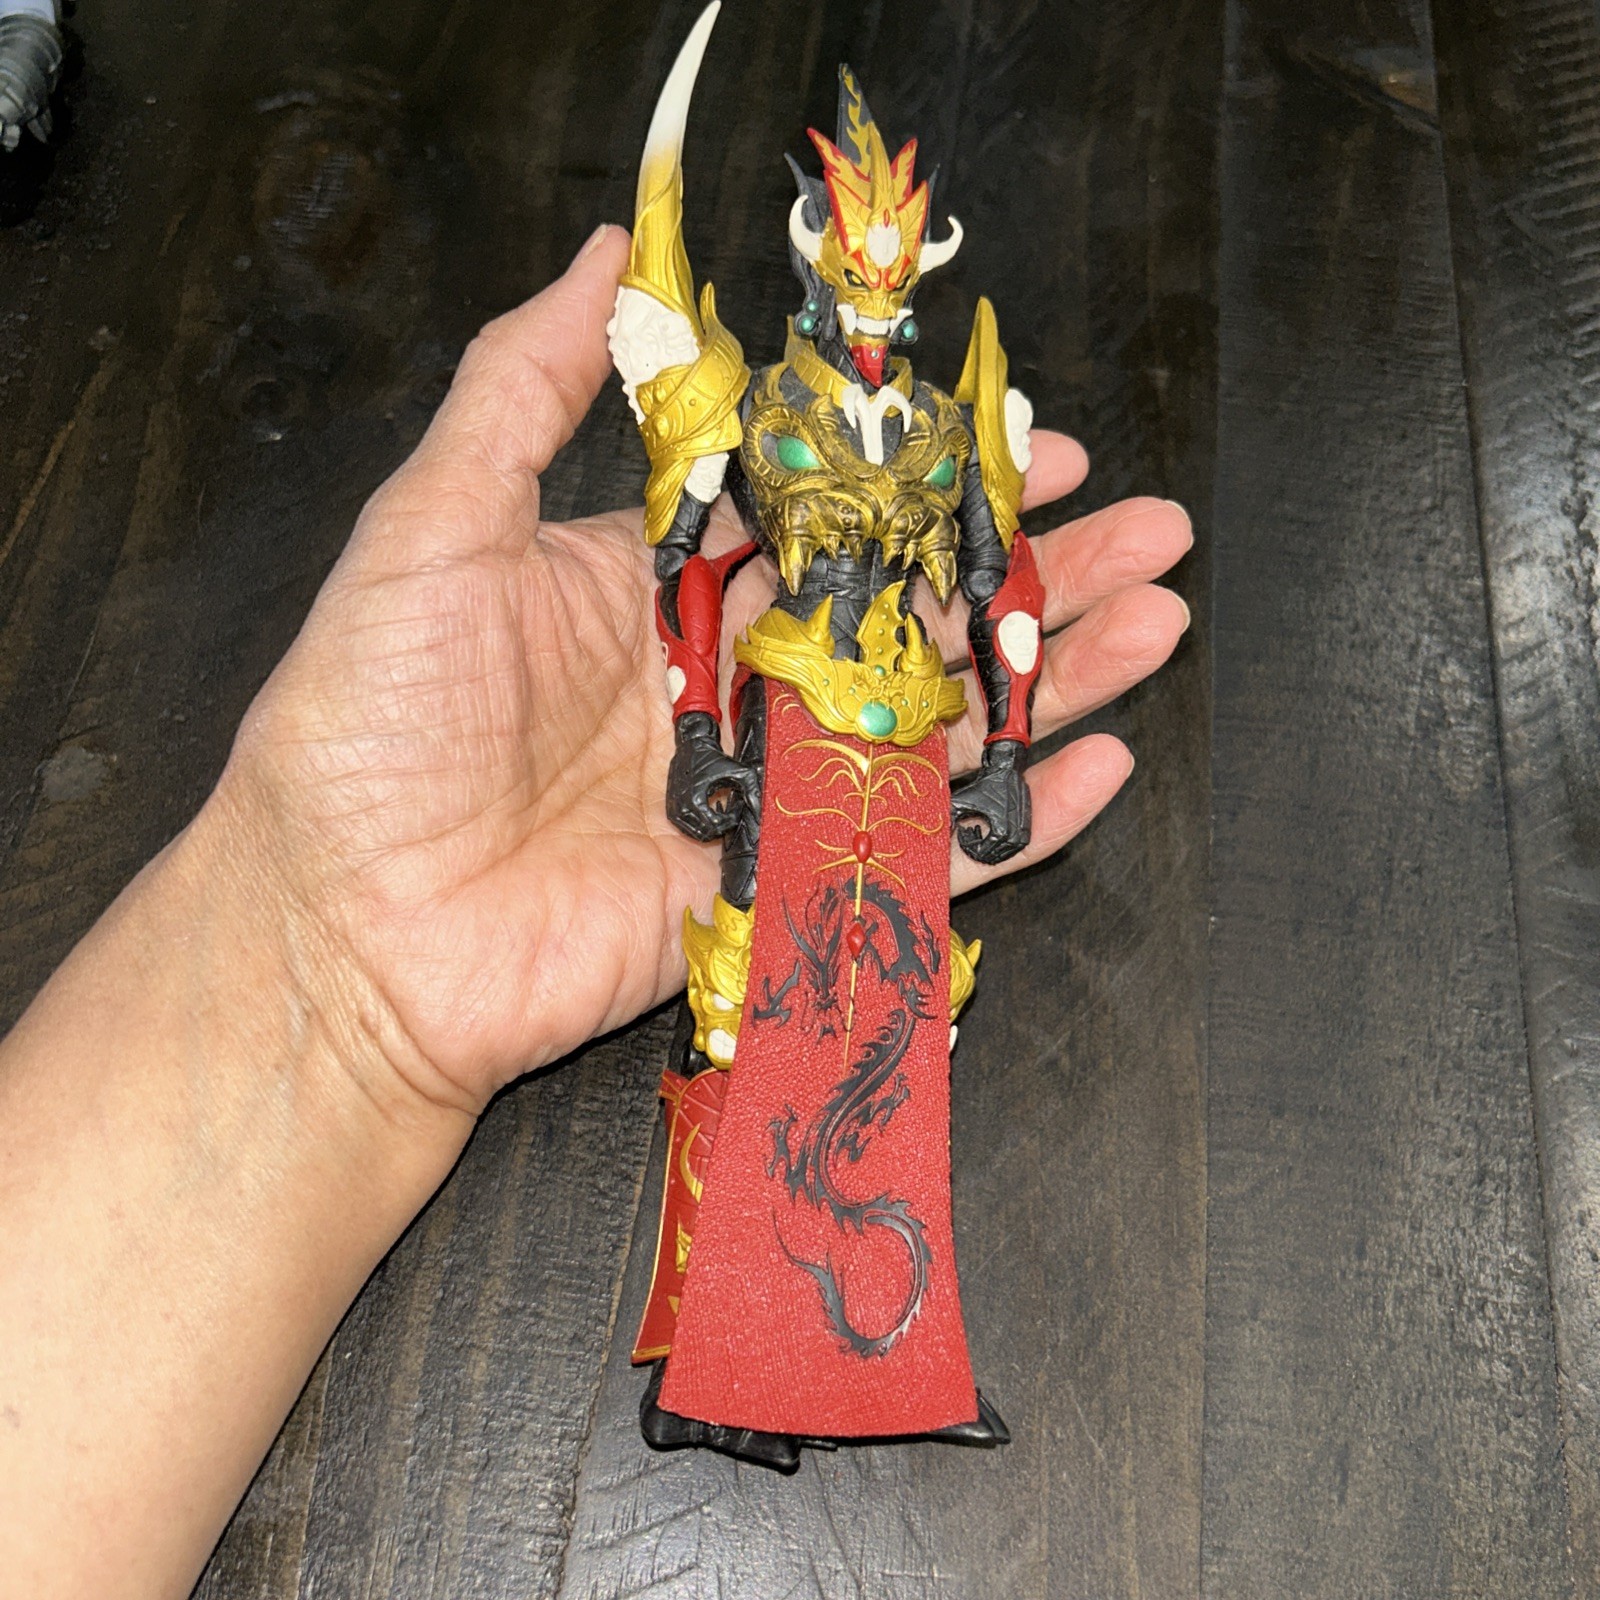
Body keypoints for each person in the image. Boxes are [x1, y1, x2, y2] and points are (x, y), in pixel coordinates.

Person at [0, 223, 1192, 1596]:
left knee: (897, 1021)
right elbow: (692, 572)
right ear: (818, 276)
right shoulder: (765, 406)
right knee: (755, 1015)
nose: (871, 306)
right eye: (849, 276)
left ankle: (880, 1361)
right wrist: (695, 733)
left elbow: (1000, 588)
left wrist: (1005, 748)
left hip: (910, 732)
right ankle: (720, 1372)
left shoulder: (944, 424)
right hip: (788, 726)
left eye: (892, 285)